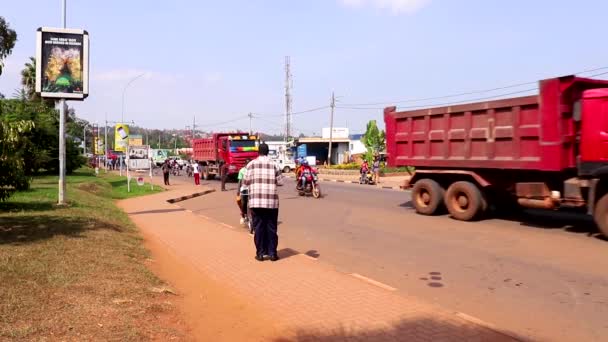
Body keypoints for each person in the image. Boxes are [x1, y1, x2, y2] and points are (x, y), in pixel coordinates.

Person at [244, 143, 282, 261]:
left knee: (259, 227)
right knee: (271, 227)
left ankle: (260, 254)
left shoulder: (250, 165)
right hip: (271, 202)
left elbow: (245, 182)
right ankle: (272, 254)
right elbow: (280, 182)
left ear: (258, 152)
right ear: (268, 152)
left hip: (255, 202)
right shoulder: (274, 164)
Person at [236, 159, 252, 230]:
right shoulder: (242, 171)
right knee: (243, 203)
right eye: (247, 164)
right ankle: (243, 215)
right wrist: (238, 190)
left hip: (252, 189)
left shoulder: (253, 170)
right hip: (244, 189)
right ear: (245, 164)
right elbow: (239, 181)